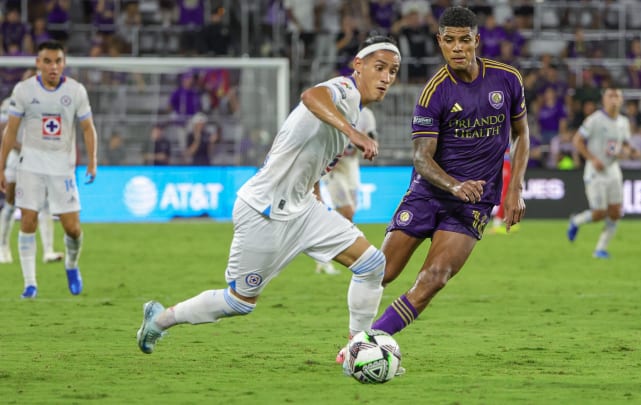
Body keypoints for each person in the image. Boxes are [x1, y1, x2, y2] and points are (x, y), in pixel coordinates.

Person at [136, 36, 402, 356]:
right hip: (264, 211)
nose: (386, 77)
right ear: (358, 66)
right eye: (380, 67)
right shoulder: (343, 91)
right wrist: (352, 133)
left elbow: (311, 161)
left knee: (372, 265)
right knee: (239, 303)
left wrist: (314, 192)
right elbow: (310, 96)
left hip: (303, 208)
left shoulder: (356, 110)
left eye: (393, 71)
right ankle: (160, 320)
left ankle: (356, 348)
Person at [344, 6, 529, 353]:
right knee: (379, 272)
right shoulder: (434, 93)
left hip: (474, 203)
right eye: (449, 41)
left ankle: (363, 345)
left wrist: (514, 188)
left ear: (477, 40)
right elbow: (421, 158)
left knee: (434, 278)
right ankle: (355, 337)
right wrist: (454, 185)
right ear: (439, 43)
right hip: (428, 194)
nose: (457, 48)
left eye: (464, 40)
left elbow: (521, 133)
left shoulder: (507, 79)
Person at [0, 40, 98, 299]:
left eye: (57, 62)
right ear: (38, 63)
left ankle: (71, 266)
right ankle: (30, 284)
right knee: (28, 221)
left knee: (72, 228)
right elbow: (10, 131)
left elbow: (88, 127)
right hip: (30, 165)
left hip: (62, 168)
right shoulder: (23, 91)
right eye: (47, 61)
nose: (53, 67)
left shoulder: (76, 91)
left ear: (63, 64)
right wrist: (1, 167)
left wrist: (92, 159)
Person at [567, 87, 639, 259]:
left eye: (617, 96)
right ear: (604, 100)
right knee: (599, 213)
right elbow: (577, 140)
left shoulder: (623, 122)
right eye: (610, 95)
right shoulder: (595, 120)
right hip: (595, 171)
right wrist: (592, 159)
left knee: (615, 211)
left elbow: (625, 144)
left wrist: (630, 151)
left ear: (621, 101)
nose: (614, 98)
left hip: (613, 169)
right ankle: (576, 221)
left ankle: (600, 249)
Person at [0, 93, 64, 265]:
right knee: (10, 203)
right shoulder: (11, 104)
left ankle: (48, 251)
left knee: (43, 204)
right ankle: (3, 247)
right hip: (16, 160)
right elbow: (5, 133)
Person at [315, 107, 377, 275]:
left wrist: (369, 144)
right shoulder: (337, 110)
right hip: (334, 167)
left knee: (348, 213)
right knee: (347, 212)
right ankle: (332, 255)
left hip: (352, 166)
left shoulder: (366, 114)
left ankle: (322, 255)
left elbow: (372, 137)